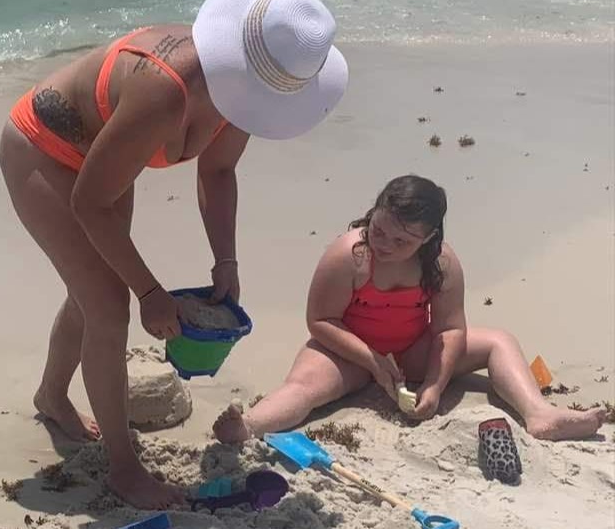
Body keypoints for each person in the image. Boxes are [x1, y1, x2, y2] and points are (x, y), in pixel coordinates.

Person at [0, 0, 348, 508]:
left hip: (106, 158)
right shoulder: (164, 90)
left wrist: (225, 260)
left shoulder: (242, 95)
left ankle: (51, 395)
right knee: (109, 304)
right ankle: (123, 469)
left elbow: (219, 170)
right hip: (43, 148)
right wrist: (150, 293)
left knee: (90, 291)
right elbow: (90, 204)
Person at [213, 175, 607, 444]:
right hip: (348, 352)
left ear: (429, 238)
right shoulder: (350, 254)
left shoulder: (442, 263)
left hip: (412, 349)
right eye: (379, 230)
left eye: (401, 241)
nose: (384, 244)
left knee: (499, 341)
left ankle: (539, 414)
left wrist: (435, 384)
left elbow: (450, 329)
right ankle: (249, 426)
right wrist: (371, 360)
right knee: (304, 388)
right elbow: (319, 321)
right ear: (374, 212)